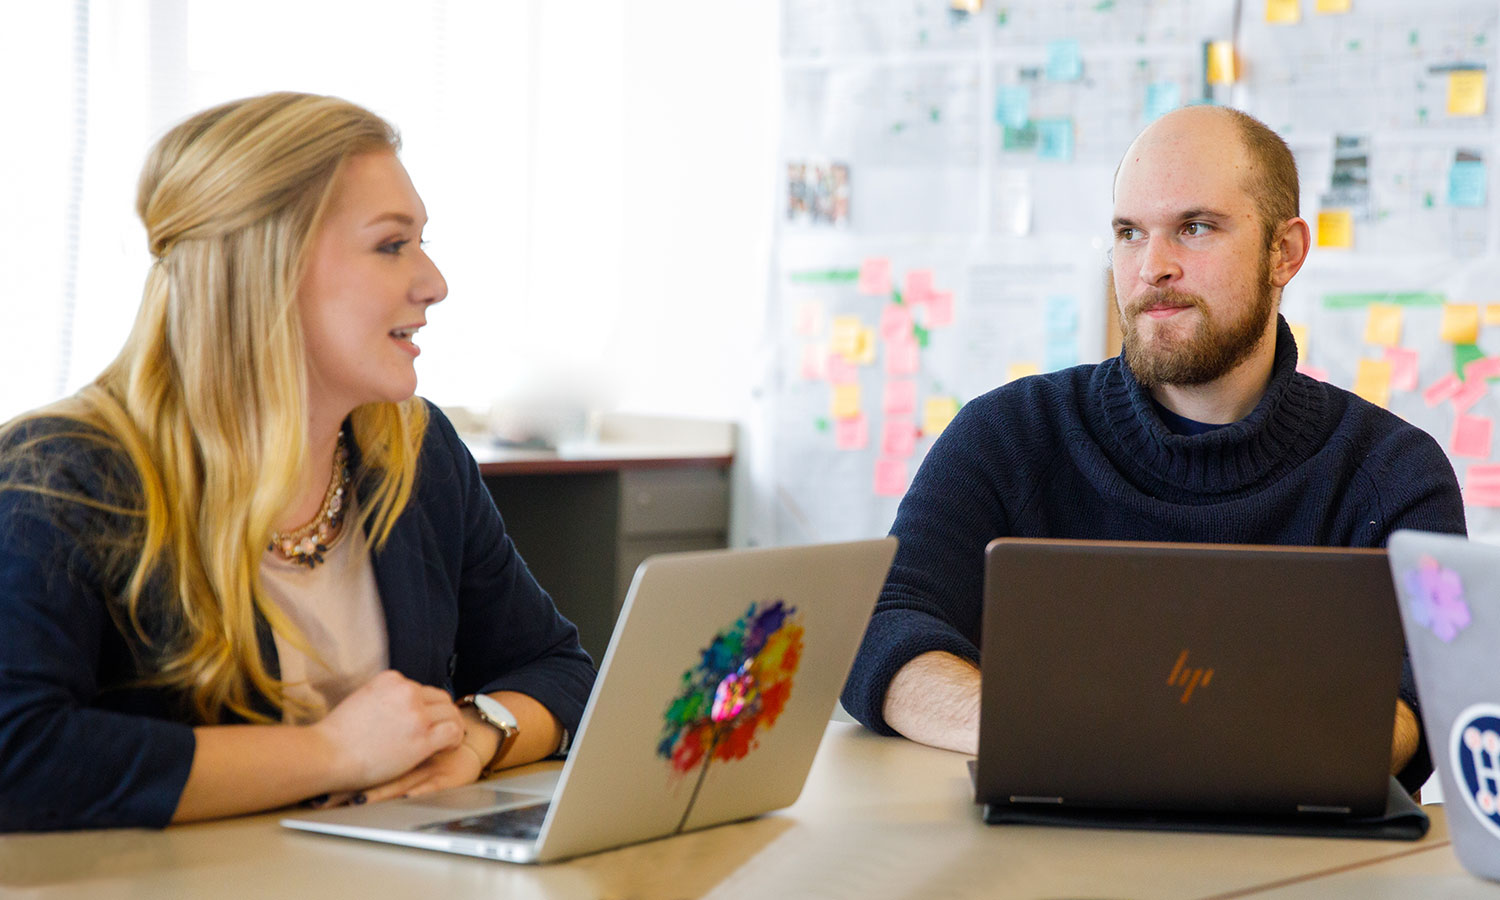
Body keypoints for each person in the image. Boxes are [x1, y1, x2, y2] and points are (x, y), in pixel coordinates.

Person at [0, 92, 596, 831]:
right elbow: (18, 752)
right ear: (265, 268)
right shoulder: (62, 475)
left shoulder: (414, 451)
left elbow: (560, 670)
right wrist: (333, 754)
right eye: (391, 245)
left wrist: (471, 738)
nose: (433, 284)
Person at [840, 105, 1465, 794]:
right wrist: (1045, 733)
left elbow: (1428, 694)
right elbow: (876, 624)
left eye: (1195, 229)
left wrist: (1202, 755)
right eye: (1129, 234)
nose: (1151, 267)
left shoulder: (1394, 473)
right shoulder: (1009, 434)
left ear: (1284, 253)